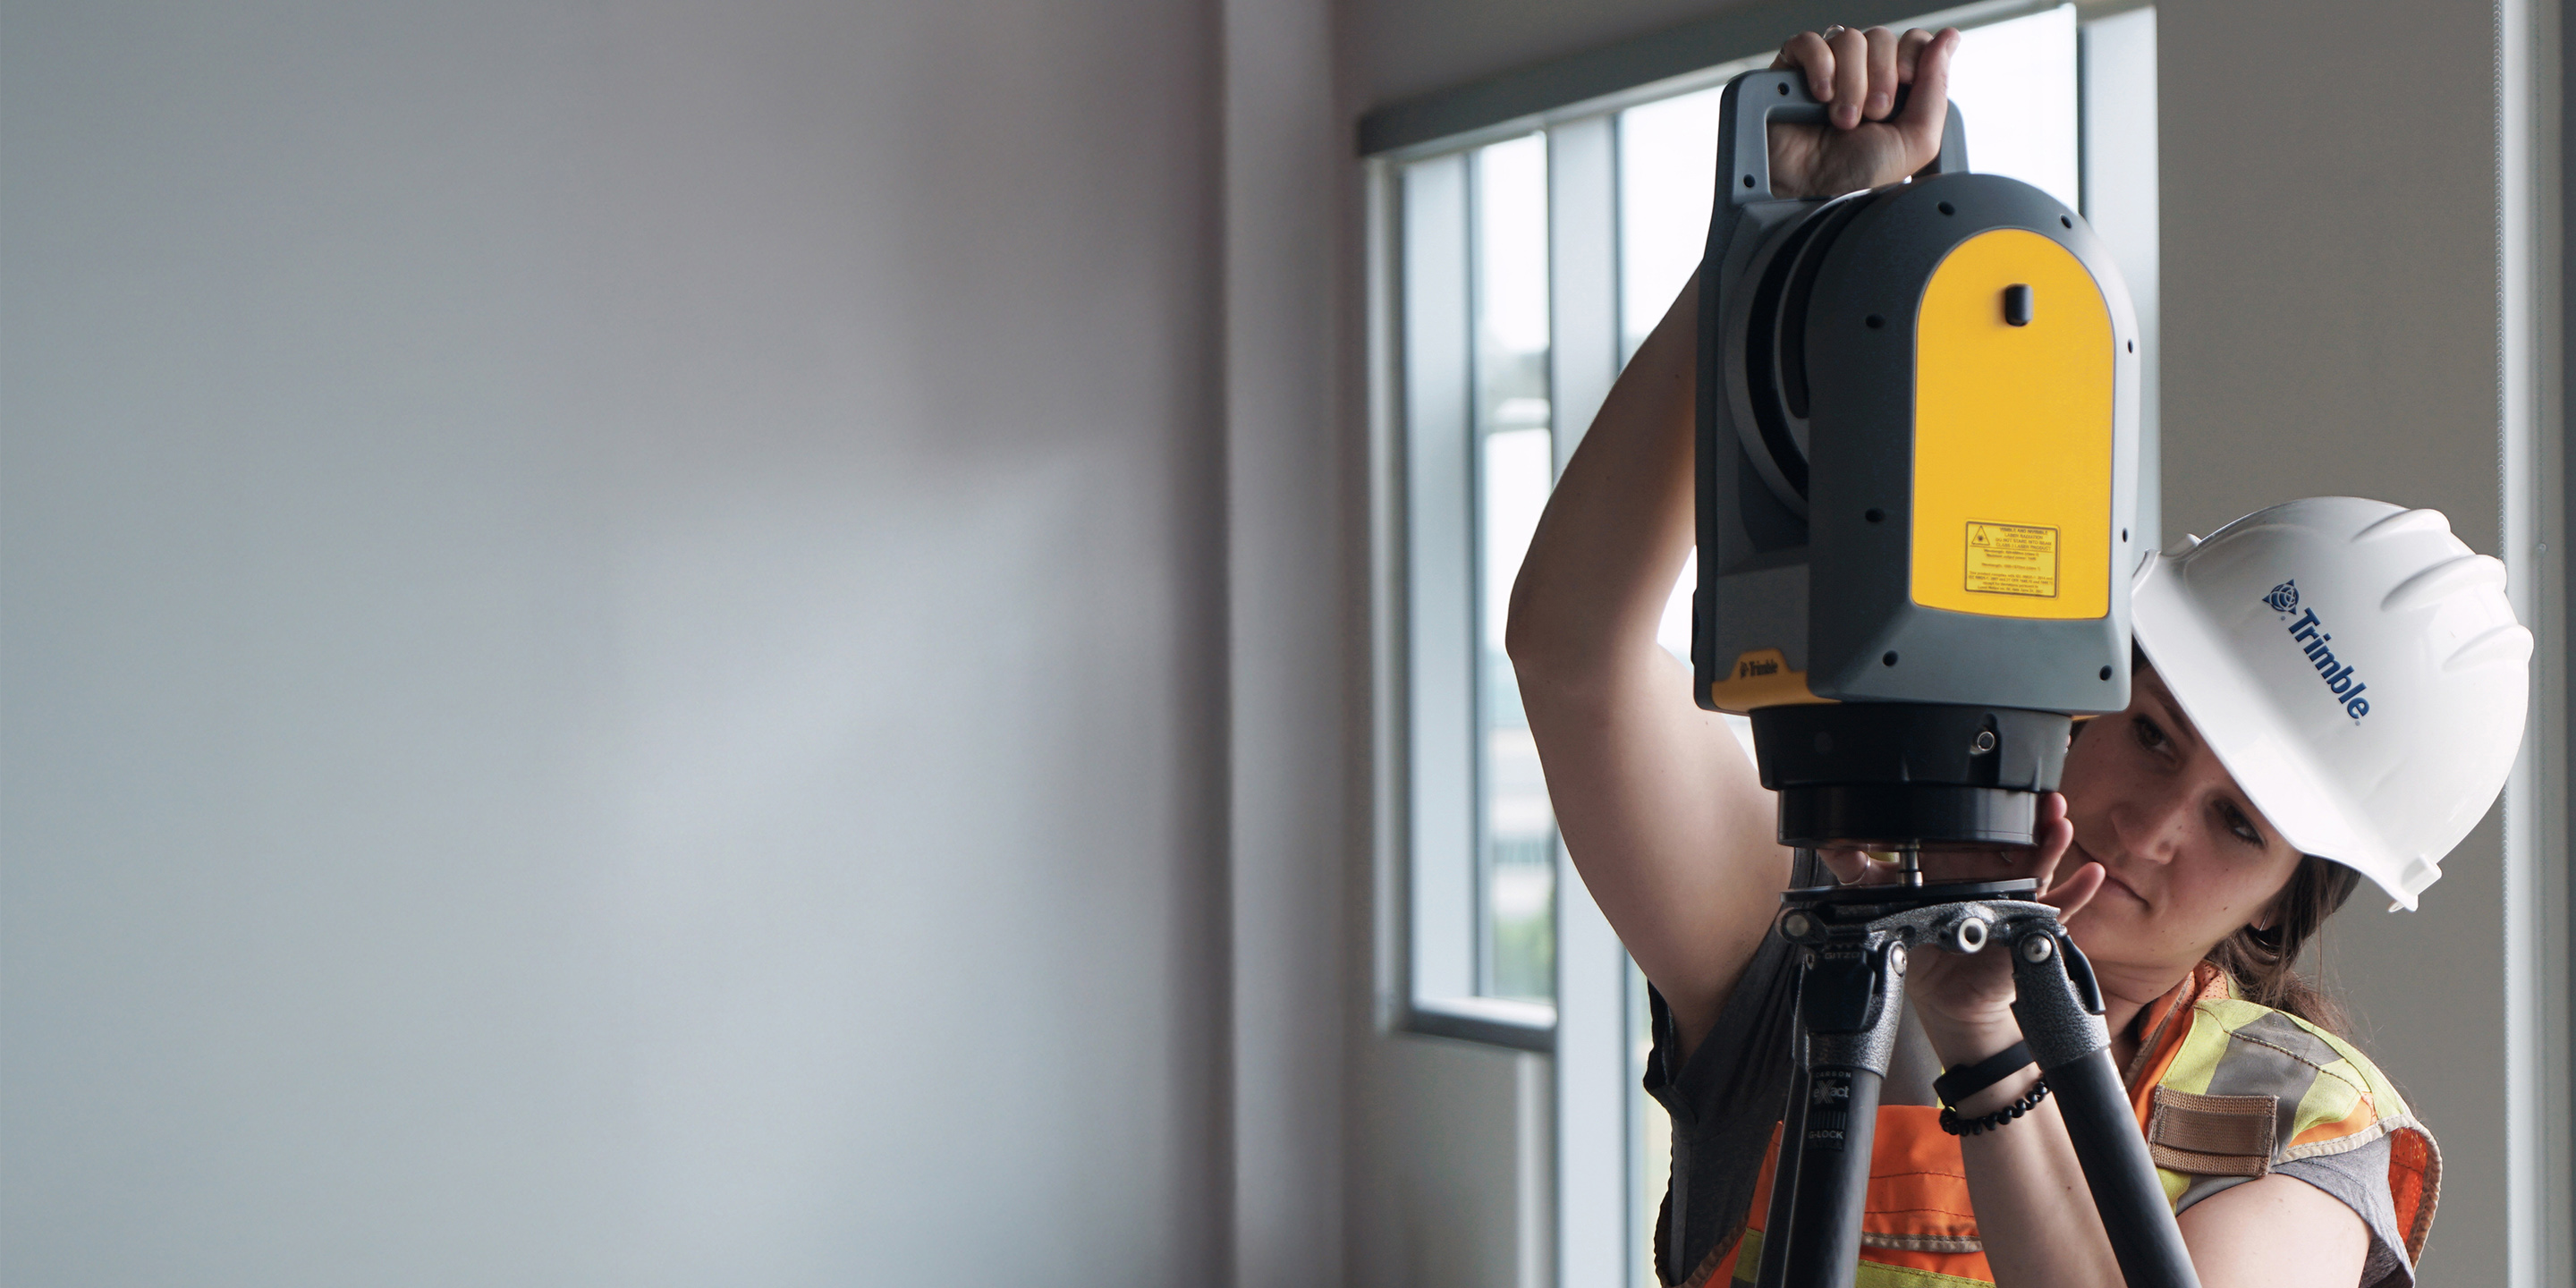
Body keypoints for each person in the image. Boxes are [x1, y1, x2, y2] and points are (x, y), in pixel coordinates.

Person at [1504, 24, 2531, 1288]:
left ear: (2284, 896)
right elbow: (1572, 652)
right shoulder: (1799, 937)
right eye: (2153, 734)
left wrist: (1987, 1043)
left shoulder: (2302, 1127)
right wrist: (1783, 246)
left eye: (2237, 824)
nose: (2151, 826)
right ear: (2081, 688)